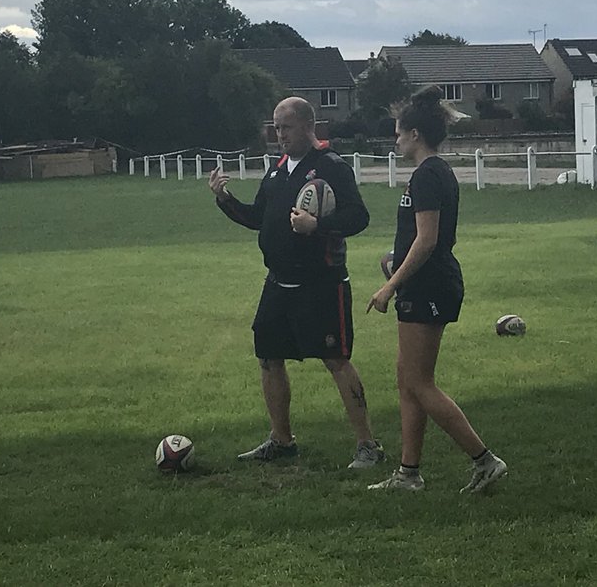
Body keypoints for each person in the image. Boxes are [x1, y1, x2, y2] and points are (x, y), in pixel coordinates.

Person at [210, 96, 385, 469]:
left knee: (336, 359)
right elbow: (259, 218)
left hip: (322, 284)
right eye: (275, 127)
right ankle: (282, 440)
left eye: (285, 127)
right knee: (269, 358)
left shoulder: (330, 166)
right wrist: (225, 200)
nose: (279, 134)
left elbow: (359, 217)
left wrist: (317, 226)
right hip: (278, 283)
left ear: (309, 127)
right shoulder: (277, 171)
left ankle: (367, 444)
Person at [366, 86, 507, 493]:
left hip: (428, 287)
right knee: (406, 379)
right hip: (427, 281)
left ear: (415, 135)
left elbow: (428, 241)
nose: (395, 139)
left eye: (398, 132)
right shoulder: (434, 172)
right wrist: (395, 258)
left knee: (420, 383)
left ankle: (485, 461)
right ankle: (409, 474)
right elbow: (429, 239)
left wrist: (389, 285)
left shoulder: (428, 174)